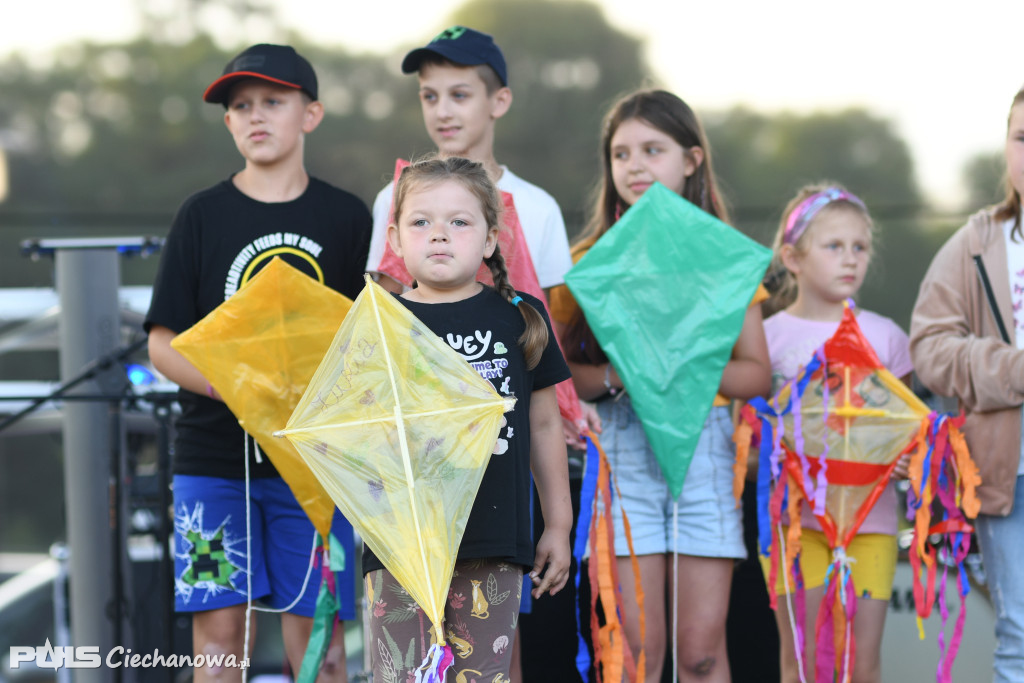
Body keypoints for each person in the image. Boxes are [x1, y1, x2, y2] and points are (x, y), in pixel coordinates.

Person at [145, 44, 370, 682]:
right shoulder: (201, 214)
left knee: (321, 653)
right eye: (241, 106)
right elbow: (163, 344)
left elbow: (365, 346)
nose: (256, 116)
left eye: (273, 101)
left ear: (312, 113)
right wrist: (234, 387)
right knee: (219, 654)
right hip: (214, 469)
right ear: (228, 123)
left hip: (316, 472)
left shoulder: (347, 216)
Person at [549, 89, 772, 683]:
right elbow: (559, 373)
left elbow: (757, 372)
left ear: (692, 159)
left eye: (654, 149)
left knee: (701, 653)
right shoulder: (588, 260)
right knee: (636, 652)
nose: (636, 166)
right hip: (622, 460)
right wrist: (624, 373)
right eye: (621, 154)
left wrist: (680, 368)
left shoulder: (724, 257)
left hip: (706, 456)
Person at [363, 155, 573, 682]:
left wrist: (559, 525)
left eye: (459, 221)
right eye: (421, 222)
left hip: (493, 540)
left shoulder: (519, 317)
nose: (439, 234)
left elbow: (545, 426)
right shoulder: (378, 322)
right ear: (394, 238)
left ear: (488, 240)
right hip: (400, 545)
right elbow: (355, 432)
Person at [762, 183, 912, 683]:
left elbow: (905, 433)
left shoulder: (888, 336)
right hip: (793, 526)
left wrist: (911, 458)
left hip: (872, 525)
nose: (850, 259)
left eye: (860, 247)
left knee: (859, 664)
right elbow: (748, 434)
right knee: (801, 661)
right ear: (792, 257)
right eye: (834, 246)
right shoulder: (768, 336)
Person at [910, 84, 1024, 683]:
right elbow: (927, 348)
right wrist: (1012, 369)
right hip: (1010, 477)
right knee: (1021, 638)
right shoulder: (977, 243)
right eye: (1023, 138)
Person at [363, 25, 572, 295]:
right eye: (430, 96)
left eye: (459, 95)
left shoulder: (540, 207)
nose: (442, 112)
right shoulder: (394, 197)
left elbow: (552, 320)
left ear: (499, 101)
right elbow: (384, 307)